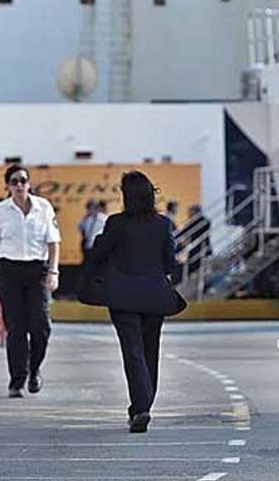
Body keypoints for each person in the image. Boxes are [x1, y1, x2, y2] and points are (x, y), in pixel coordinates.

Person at [90, 171, 177, 433]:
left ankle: (140, 407)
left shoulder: (116, 224)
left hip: (123, 298)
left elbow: (98, 254)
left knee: (133, 352)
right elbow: (170, 262)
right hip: (154, 296)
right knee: (150, 351)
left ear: (126, 196)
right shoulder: (163, 224)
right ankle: (144, 404)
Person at [0, 164, 61, 398]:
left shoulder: (44, 208)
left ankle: (34, 370)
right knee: (16, 327)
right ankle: (17, 379)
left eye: (23, 180)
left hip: (37, 271)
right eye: (14, 181)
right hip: (10, 272)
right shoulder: (0, 212)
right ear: (8, 186)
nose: (19, 185)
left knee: (41, 326)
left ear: (29, 183)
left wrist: (53, 272)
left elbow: (53, 243)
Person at [175, 204, 212, 278]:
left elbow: (186, 231)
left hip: (201, 249)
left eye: (190, 212)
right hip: (195, 250)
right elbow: (183, 232)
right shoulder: (194, 222)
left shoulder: (202, 221)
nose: (188, 214)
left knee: (198, 268)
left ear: (194, 212)